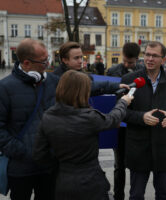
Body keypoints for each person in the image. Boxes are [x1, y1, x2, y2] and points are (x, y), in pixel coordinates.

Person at [33, 70, 133, 200]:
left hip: (62, 182)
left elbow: (39, 155)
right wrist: (123, 102)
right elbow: (113, 119)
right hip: (90, 182)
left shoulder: (47, 116)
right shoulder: (89, 117)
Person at [121, 41, 166, 200]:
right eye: (147, 54)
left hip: (164, 147)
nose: (149, 59)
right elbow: (121, 111)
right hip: (138, 147)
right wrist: (141, 117)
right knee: (136, 195)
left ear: (163, 60)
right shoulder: (130, 79)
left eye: (155, 56)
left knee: (164, 194)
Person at [0, 38, 59, 200]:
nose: (48, 64)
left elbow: (82, 86)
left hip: (48, 165)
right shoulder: (4, 88)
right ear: (26, 63)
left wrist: (116, 86)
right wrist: (21, 151)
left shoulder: (52, 81)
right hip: (20, 168)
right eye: (43, 61)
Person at [107, 42, 144, 200]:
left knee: (137, 164)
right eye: (126, 61)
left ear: (137, 59)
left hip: (135, 123)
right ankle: (118, 196)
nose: (128, 64)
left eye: (131, 62)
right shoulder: (112, 71)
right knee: (119, 164)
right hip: (119, 123)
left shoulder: (142, 72)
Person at [53, 41, 129, 95]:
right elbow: (90, 86)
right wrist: (116, 86)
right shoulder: (57, 78)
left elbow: (97, 90)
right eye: (76, 58)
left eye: (81, 57)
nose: (80, 61)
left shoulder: (84, 75)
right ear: (65, 60)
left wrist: (116, 88)